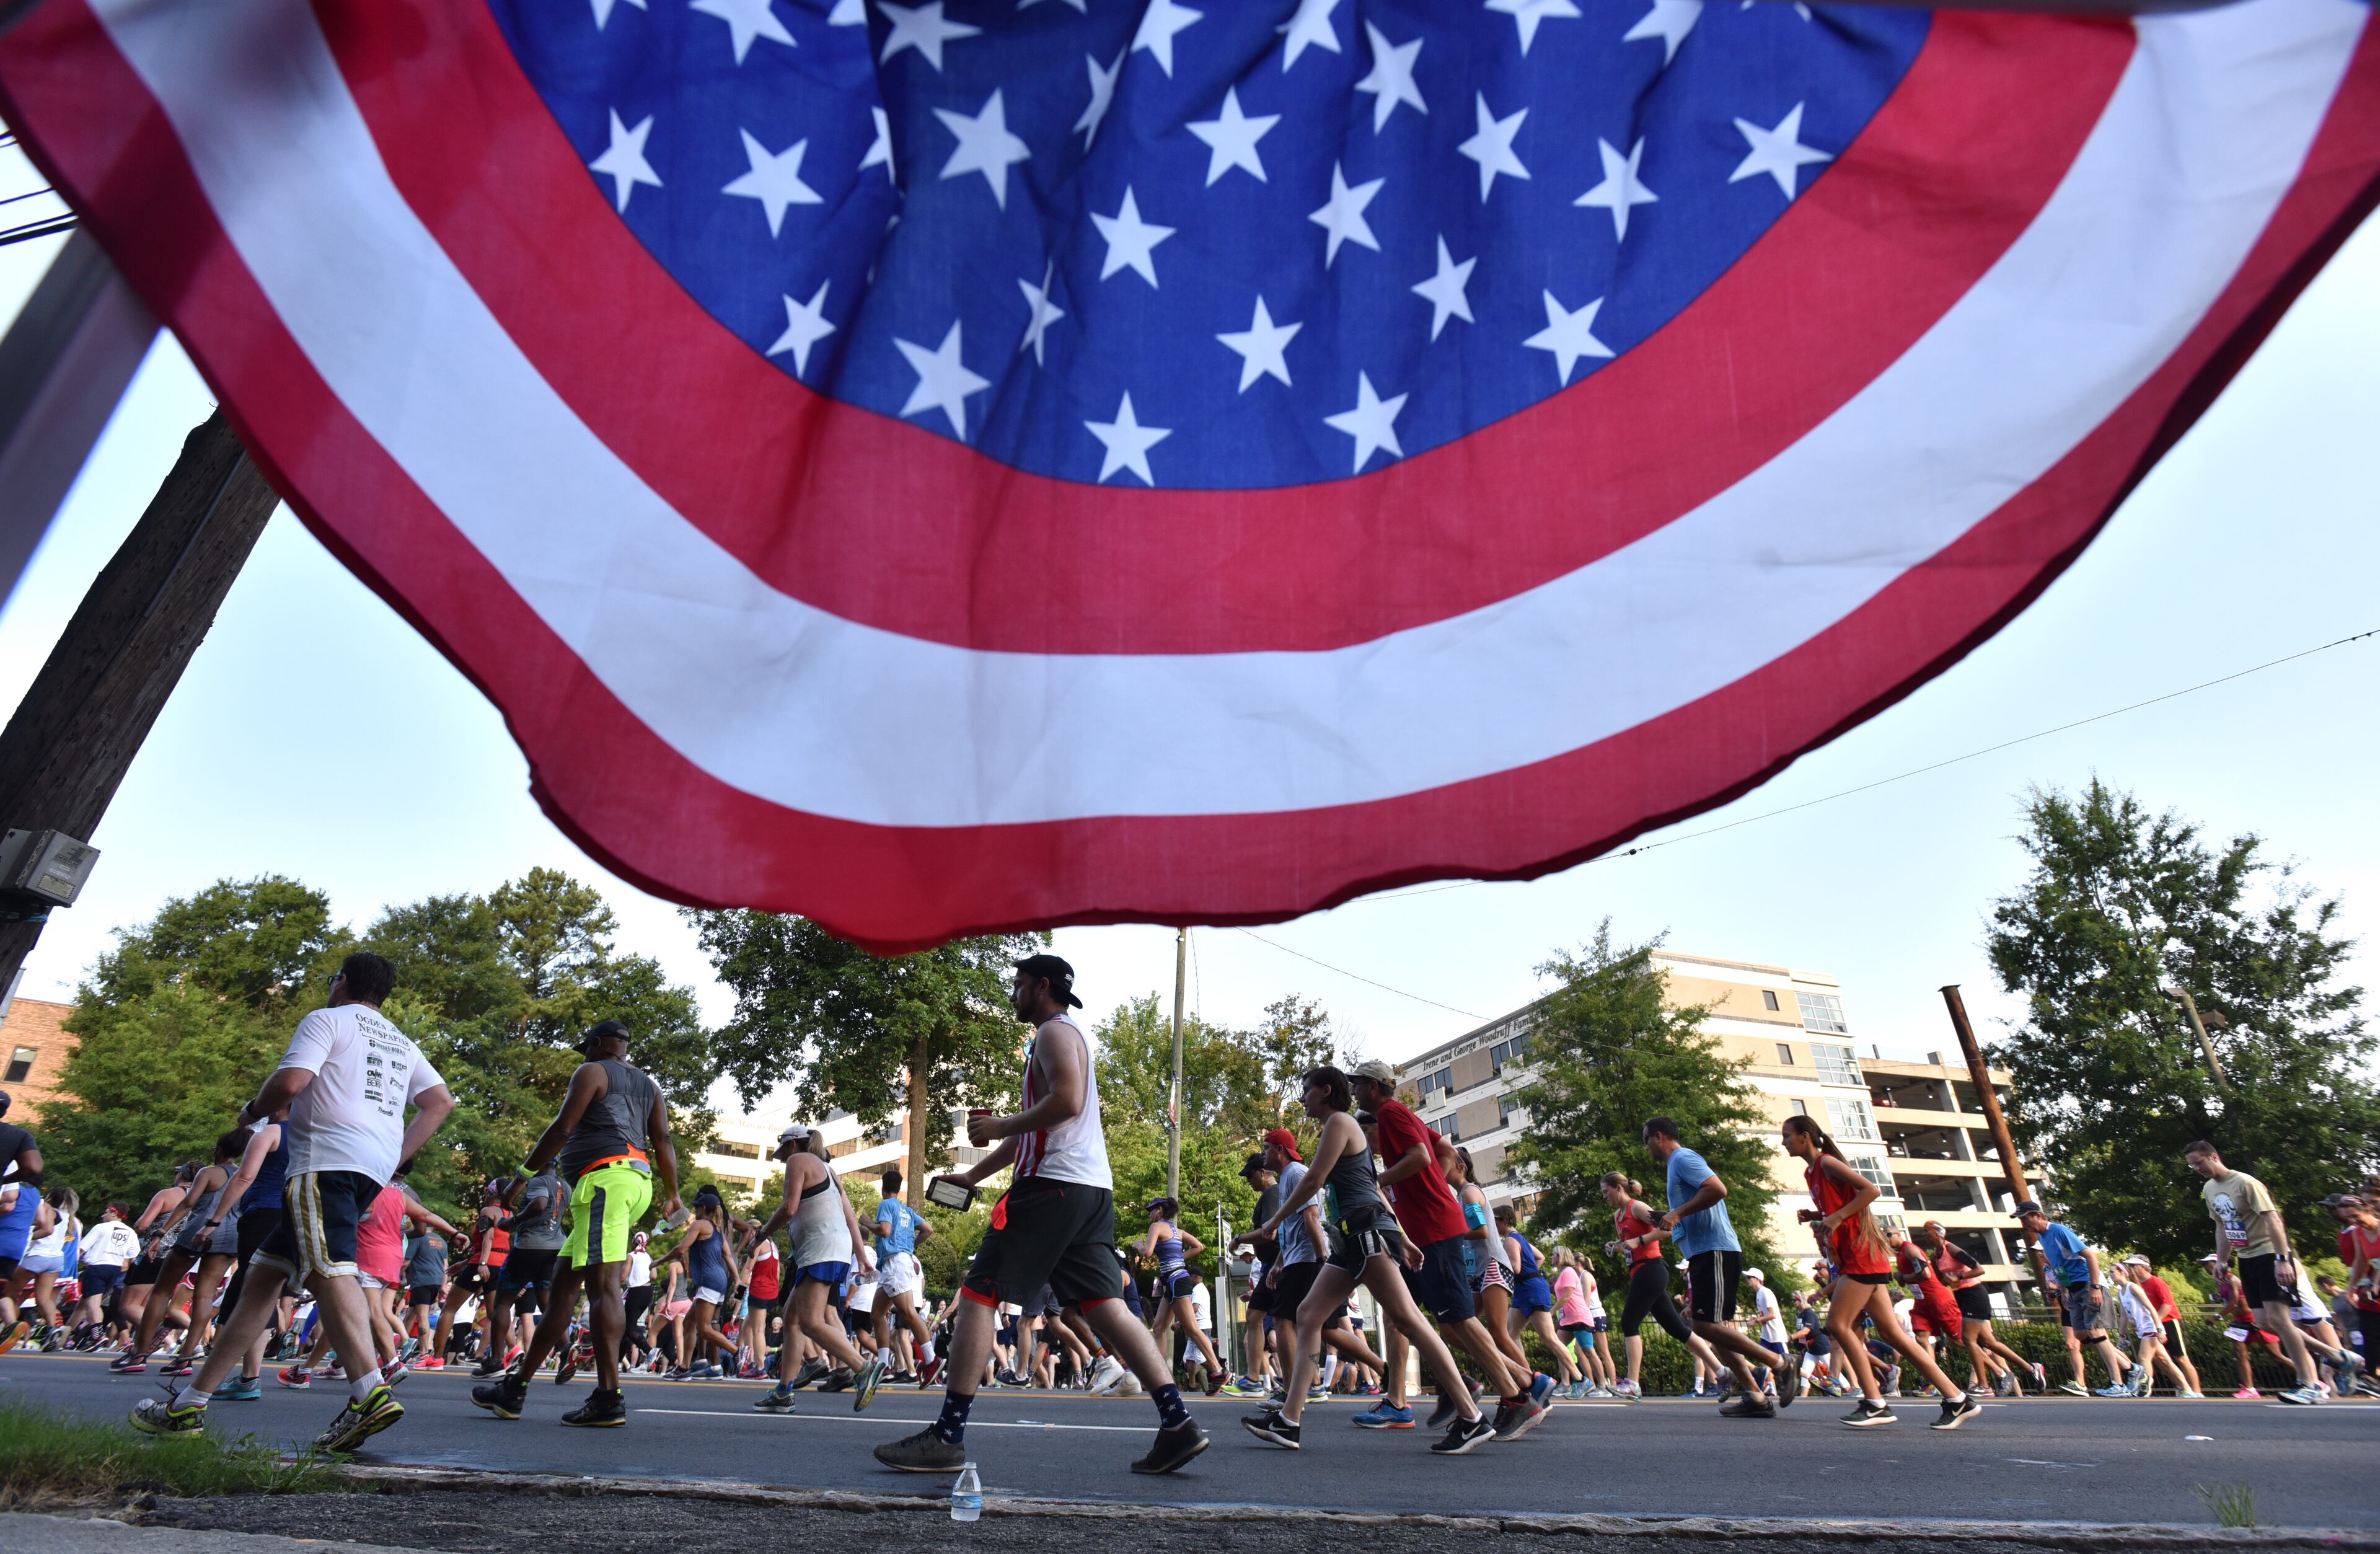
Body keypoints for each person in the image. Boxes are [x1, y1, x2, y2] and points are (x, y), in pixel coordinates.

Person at [875, 953, 1207, 1475]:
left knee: (979, 1291)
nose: (1013, 992)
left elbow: (1067, 1102)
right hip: (1090, 1192)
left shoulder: (1053, 1033)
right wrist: (974, 1175)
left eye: (1019, 983)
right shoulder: (1062, 1036)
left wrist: (1002, 1123)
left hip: (1051, 1188)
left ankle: (947, 1435)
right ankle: (1178, 1422)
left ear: (1042, 986)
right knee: (1106, 1305)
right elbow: (1045, 1123)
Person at [130, 951, 456, 1451]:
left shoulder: (327, 1019)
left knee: (330, 1267)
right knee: (260, 1283)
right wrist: (393, 1158)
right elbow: (440, 1102)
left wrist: (251, 1112)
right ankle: (188, 1405)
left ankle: (369, 1391)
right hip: (369, 1168)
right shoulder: (402, 1042)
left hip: (324, 1161)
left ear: (343, 981)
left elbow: (288, 1084)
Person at [1237, 1066, 1499, 1455]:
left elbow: (1313, 1182)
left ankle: (1471, 1418)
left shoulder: (1340, 1122)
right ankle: (1289, 1421)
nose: (1303, 1097)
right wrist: (1406, 1239)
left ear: (1326, 1091)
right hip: (1354, 1237)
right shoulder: (1343, 1126)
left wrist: (1274, 1221)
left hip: (1366, 1235)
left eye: (1307, 1090)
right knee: (1310, 1314)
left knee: (1408, 1320)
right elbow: (1372, 1188)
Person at [469, 1020, 682, 1426]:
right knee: (564, 1287)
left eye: (587, 1046)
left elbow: (562, 1128)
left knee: (603, 1288)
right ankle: (515, 1390)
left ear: (601, 1044)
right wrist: (672, 1194)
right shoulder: (650, 1086)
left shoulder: (592, 1071)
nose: (584, 1054)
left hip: (607, 1182)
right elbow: (664, 1140)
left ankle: (608, 1396)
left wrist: (518, 1181)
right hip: (632, 1182)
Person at [1346, 1059, 1540, 1437]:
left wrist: (1378, 1180)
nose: (1353, 1091)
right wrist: (1428, 1180)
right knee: (1450, 1322)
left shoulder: (1390, 1114)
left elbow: (1421, 1156)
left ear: (1373, 1087)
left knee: (1461, 1322)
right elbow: (1444, 1151)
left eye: (1357, 1084)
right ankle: (1514, 1387)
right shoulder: (1402, 1116)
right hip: (1431, 1230)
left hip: (1437, 1229)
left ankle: (1518, 1395)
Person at [1783, 1115, 1978, 1429]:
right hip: (1856, 1257)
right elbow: (1842, 1204)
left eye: (1787, 1136)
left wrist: (1834, 1219)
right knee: (1892, 1335)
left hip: (1862, 1256)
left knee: (1837, 1324)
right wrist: (1817, 1215)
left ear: (1805, 1137)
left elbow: (1870, 1191)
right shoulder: (1811, 1172)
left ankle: (1875, 1403)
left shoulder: (1828, 1163)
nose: (1784, 1142)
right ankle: (1958, 1399)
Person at [1639, 1119, 1798, 1414]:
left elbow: (1717, 1189)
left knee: (1704, 1326)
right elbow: (1699, 1203)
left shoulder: (1683, 1158)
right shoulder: (1676, 1165)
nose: (1645, 1146)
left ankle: (1780, 1362)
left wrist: (1676, 1213)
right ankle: (1756, 1398)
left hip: (1714, 1250)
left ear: (1659, 1136)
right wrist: (1670, 1215)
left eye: (1646, 1140)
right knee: (1714, 1329)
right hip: (1704, 1253)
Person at [2185, 1140, 2358, 1405]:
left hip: (2269, 1255)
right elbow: (2222, 1226)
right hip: (2246, 1258)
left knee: (2280, 1319)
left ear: (2214, 1157)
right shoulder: (2209, 1189)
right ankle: (2337, 1357)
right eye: (2193, 1165)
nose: (2197, 1168)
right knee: (2265, 1323)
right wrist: (2222, 1260)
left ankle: (2309, 1383)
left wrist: (2282, 1259)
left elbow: (2273, 1220)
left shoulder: (2246, 1183)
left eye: (2200, 1162)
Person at [749, 1124, 885, 1411]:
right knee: (792, 1316)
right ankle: (785, 1391)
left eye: (784, 1151)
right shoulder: (828, 1170)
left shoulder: (799, 1161)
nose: (784, 1158)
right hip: (834, 1247)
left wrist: (761, 1235)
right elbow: (850, 1218)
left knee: (810, 1321)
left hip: (819, 1248)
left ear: (793, 1145)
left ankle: (863, 1369)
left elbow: (789, 1207)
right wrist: (862, 1258)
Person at [1599, 1170, 1724, 1400]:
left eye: (1607, 1192)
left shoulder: (1637, 1207)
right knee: (1678, 1329)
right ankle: (1722, 1372)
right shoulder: (1618, 1216)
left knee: (1629, 1322)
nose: (1605, 1197)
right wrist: (1618, 1245)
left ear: (1619, 1188)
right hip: (1640, 1272)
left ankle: (1633, 1384)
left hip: (1652, 1269)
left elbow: (1670, 1229)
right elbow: (1631, 1243)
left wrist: (1641, 1240)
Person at [2012, 1200, 2135, 1397]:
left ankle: (2118, 1383)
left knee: (2095, 1333)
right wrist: (2063, 1289)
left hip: (2088, 1284)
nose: (2024, 1224)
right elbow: (2058, 1266)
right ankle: (2131, 1369)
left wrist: (2095, 1287)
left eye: (2025, 1219)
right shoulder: (2042, 1238)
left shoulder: (2059, 1231)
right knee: (2081, 1335)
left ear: (2038, 1216)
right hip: (2073, 1288)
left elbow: (2090, 1256)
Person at [1920, 1221, 2037, 1398]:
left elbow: (1979, 1269)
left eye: (1927, 1232)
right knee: (1989, 1343)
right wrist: (1943, 1276)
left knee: (1968, 1340)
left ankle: (1984, 1385)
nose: (1924, 1236)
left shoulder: (1952, 1249)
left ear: (1938, 1233)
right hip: (1962, 1296)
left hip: (1974, 1294)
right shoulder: (1937, 1254)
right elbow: (1943, 1279)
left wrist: (1959, 1276)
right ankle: (2032, 1368)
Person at [475, 1165, 567, 1376]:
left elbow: (540, 1204)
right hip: (555, 1247)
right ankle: (566, 1346)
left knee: (503, 1302)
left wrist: (514, 1221)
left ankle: (495, 1361)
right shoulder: (565, 1185)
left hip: (530, 1247)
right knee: (548, 1303)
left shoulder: (539, 1181)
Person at [1138, 1197, 1227, 1388]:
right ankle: (1159, 1375)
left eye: (1151, 1210)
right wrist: (1180, 1258)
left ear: (1160, 1210)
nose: (1149, 1214)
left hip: (1176, 1280)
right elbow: (1199, 1247)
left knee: (1192, 1328)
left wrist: (1138, 1246)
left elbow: (1147, 1253)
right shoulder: (1177, 1231)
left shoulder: (1156, 1227)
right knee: (1160, 1326)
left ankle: (1218, 1370)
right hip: (1172, 1281)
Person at [1496, 1204, 1579, 1392]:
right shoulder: (1520, 1238)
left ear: (1503, 1220)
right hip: (1524, 1290)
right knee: (1511, 1335)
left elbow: (1515, 1268)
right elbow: (1540, 1257)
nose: (1495, 1226)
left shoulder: (1510, 1240)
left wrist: (1498, 1265)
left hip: (1531, 1290)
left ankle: (1580, 1379)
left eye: (1496, 1222)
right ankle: (1527, 1377)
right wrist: (1533, 1271)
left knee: (1549, 1338)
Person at [871, 1167, 940, 1385]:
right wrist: (910, 1248)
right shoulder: (907, 1211)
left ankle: (932, 1360)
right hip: (898, 1263)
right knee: (877, 1314)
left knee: (909, 1313)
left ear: (883, 1188)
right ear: (899, 1189)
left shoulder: (886, 1205)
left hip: (894, 1262)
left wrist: (865, 1223)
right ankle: (883, 1366)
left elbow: (884, 1231)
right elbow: (928, 1229)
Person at [2121, 1253, 2204, 1397]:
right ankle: (2183, 1387)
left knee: (2181, 1357)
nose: (2130, 1268)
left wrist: (2155, 1322)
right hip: (2152, 1327)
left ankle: (2197, 1392)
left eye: (2133, 1266)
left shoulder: (2157, 1282)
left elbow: (2167, 1305)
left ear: (2142, 1267)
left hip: (2169, 1322)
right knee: (2161, 1359)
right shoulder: (2135, 1286)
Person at [0, 1088, 45, 1349]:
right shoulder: (19, 1135)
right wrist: (5, 1179)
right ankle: (12, 1324)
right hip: (16, 1245)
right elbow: (34, 1167)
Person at [2325, 1194, 2380, 1386]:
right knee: (2370, 1328)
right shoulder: (2358, 1233)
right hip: (2374, 1285)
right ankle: (2371, 1375)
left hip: (2377, 1282)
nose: (2355, 1222)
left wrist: (2375, 1284)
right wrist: (2351, 1289)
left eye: (2357, 1216)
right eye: (2351, 1219)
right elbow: (2361, 1261)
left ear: (2368, 1210)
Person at [74, 1204, 141, 1348]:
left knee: (93, 1303)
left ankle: (98, 1335)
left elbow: (81, 1249)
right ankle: (71, 1335)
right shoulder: (131, 1232)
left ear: (114, 1213)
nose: (102, 1216)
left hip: (97, 1266)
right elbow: (133, 1257)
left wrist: (71, 1271)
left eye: (106, 1213)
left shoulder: (100, 1228)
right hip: (115, 1270)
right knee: (84, 1305)